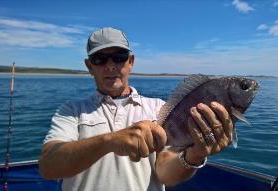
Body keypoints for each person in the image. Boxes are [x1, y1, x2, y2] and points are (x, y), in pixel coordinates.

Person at [39, 27, 234, 191]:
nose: (110, 66)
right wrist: (110, 141)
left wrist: (196, 154)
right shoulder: (71, 110)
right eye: (100, 59)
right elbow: (48, 166)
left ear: (130, 62)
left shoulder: (160, 109)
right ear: (90, 66)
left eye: (119, 57)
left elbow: (166, 174)